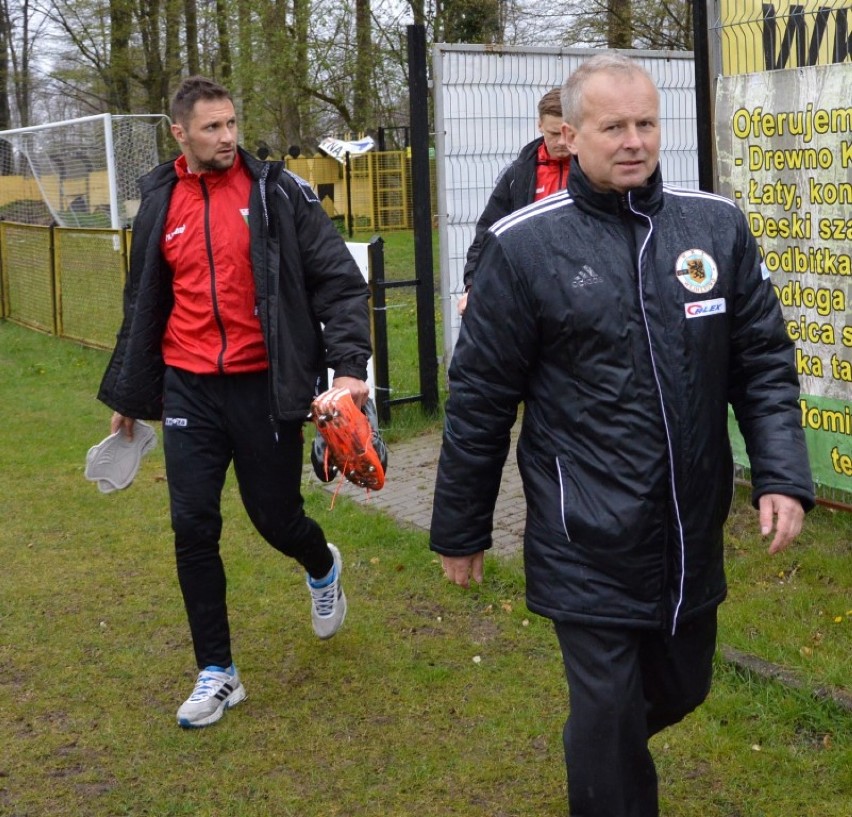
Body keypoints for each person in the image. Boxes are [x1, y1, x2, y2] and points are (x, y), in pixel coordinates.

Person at [430, 53, 813, 816]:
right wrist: (462, 529)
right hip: (586, 534)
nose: (634, 140)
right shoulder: (524, 247)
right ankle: (604, 768)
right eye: (614, 126)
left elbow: (763, 361)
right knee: (608, 720)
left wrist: (780, 473)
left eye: (646, 123)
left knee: (682, 685)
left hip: (687, 529)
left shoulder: (715, 227)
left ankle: (600, 751)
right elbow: (479, 400)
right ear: (570, 135)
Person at [98, 76, 371, 729]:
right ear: (180, 133)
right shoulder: (159, 198)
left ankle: (320, 562)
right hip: (189, 385)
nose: (226, 137)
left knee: (275, 518)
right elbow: (143, 304)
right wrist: (131, 396)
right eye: (212, 127)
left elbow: (338, 280)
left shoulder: (277, 193)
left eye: (231, 124)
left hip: (264, 384)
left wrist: (350, 369)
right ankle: (218, 671)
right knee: (192, 527)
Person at [458, 87, 571, 315]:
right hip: (529, 288)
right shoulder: (518, 175)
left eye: (567, 133)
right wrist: (473, 285)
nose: (561, 142)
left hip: (582, 288)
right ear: (540, 125)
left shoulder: (596, 171)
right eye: (553, 133)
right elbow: (489, 233)